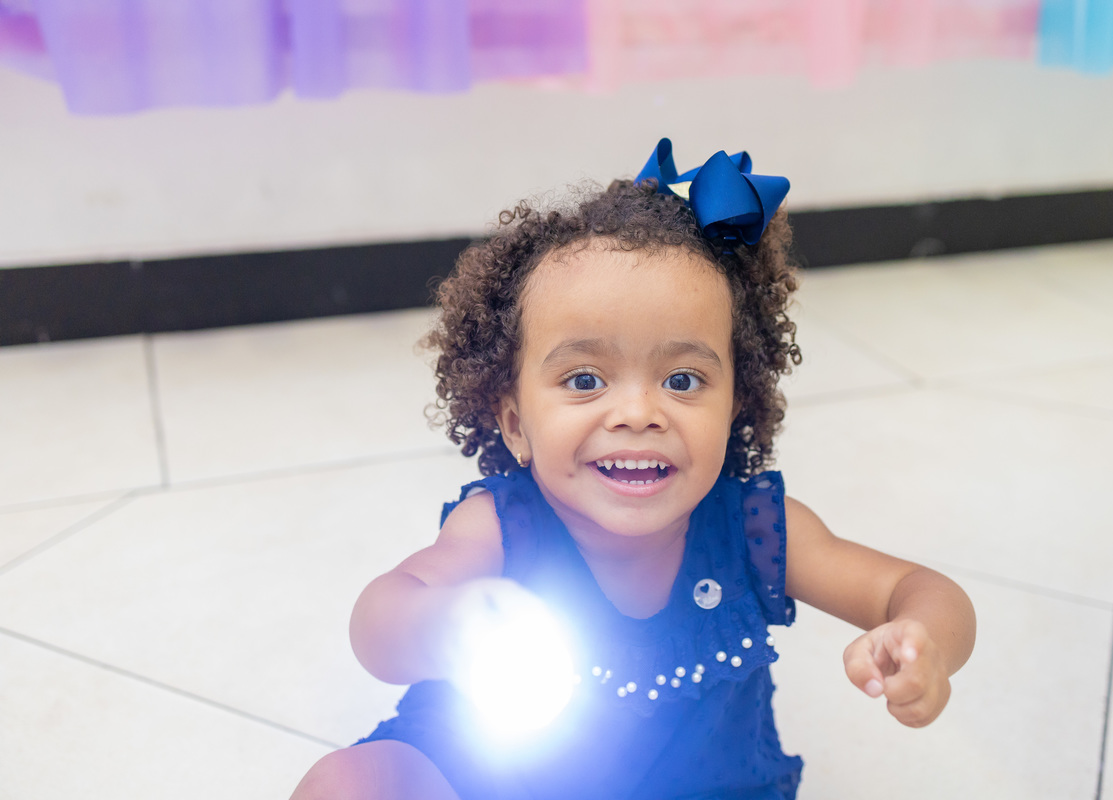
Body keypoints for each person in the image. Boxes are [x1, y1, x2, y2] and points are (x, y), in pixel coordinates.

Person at [290, 139, 976, 800]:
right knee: (350, 785)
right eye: (585, 379)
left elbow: (916, 588)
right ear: (515, 423)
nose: (639, 412)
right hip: (494, 776)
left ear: (736, 405)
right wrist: (446, 625)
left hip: (706, 788)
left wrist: (922, 642)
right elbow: (376, 625)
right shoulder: (499, 527)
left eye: (682, 379)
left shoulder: (756, 529)